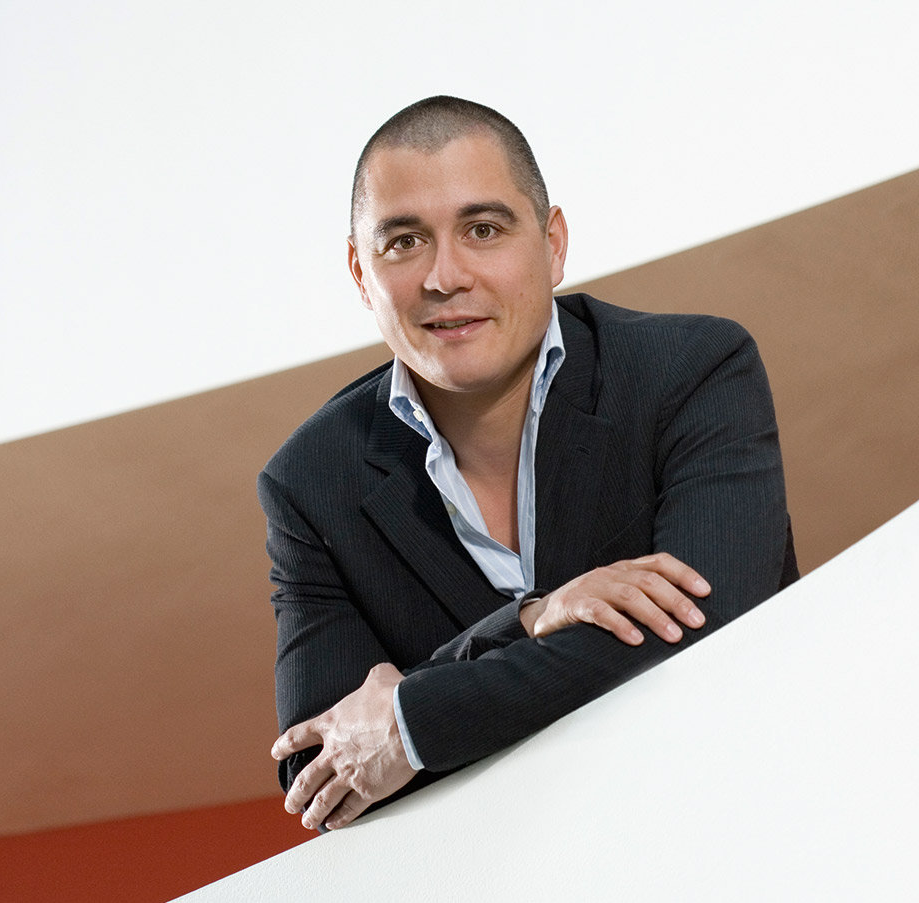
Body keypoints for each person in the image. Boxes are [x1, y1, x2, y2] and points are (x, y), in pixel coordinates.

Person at [259, 96, 797, 833]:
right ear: (360, 272)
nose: (445, 276)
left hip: (738, 824)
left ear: (552, 244)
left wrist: (411, 722)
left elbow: (708, 625)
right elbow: (322, 770)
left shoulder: (691, 370)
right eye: (404, 242)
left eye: (483, 230)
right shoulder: (311, 481)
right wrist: (534, 618)